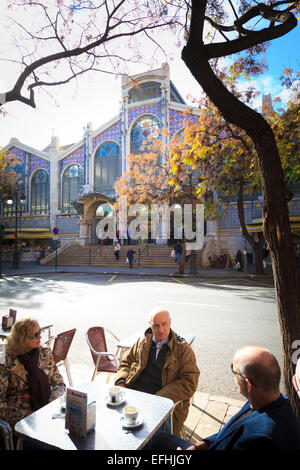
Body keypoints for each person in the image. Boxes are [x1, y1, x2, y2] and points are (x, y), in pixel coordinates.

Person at [152, 345, 300, 450]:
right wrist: (200, 445)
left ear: (248, 383)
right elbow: (227, 432)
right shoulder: (264, 400)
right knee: (160, 438)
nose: (232, 375)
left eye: (233, 370)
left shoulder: (262, 439)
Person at [114, 307, 200, 436]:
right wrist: (121, 383)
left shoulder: (183, 349)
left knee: (151, 439)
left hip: (162, 402)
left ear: (170, 322)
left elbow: (189, 382)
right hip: (135, 395)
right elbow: (125, 363)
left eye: (164, 324)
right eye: (156, 325)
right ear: (150, 325)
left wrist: (159, 399)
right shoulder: (141, 342)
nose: (160, 329)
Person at [0, 318, 66, 438]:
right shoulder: (3, 357)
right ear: (21, 339)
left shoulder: (44, 352)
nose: (40, 337)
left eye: (40, 332)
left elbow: (59, 382)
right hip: (19, 423)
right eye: (35, 335)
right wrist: (28, 415)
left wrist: (52, 405)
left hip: (47, 412)